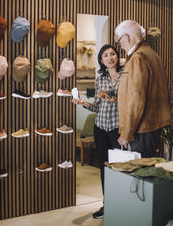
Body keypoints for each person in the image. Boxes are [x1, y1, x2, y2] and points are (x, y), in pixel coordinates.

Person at [72, 44, 122, 219]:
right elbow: (96, 106)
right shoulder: (100, 78)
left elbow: (131, 104)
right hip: (100, 128)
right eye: (106, 55)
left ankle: (120, 204)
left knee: (119, 168)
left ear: (117, 56)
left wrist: (116, 100)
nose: (110, 58)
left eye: (113, 54)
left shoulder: (126, 76)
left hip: (118, 129)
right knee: (104, 168)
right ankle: (106, 204)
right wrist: (83, 103)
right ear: (101, 60)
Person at [114, 20, 172, 157]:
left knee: (137, 174)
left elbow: (136, 101)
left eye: (119, 42)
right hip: (151, 127)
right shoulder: (152, 54)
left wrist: (126, 134)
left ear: (126, 37)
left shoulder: (137, 58)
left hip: (140, 130)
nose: (121, 46)